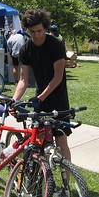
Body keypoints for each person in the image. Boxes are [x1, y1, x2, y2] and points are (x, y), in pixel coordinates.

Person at [12, 9, 72, 162]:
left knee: (61, 140)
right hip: (40, 99)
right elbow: (23, 80)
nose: (37, 35)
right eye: (32, 32)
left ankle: (66, 183)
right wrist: (14, 101)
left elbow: (58, 76)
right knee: (39, 141)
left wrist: (41, 97)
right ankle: (44, 178)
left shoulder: (56, 45)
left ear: (45, 27)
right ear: (27, 30)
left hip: (58, 99)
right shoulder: (25, 49)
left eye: (39, 31)